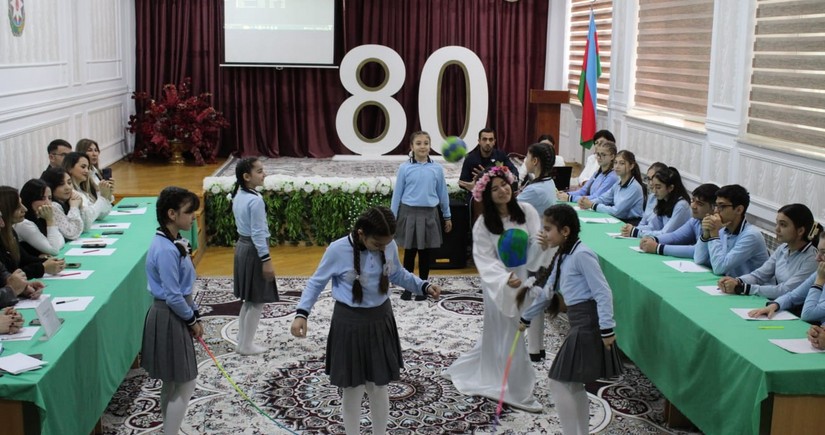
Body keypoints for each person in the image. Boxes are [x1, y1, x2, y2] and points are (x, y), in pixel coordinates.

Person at [290, 206, 442, 435]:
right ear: (361, 233)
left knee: (379, 386)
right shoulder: (337, 250)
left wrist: (423, 285)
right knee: (352, 388)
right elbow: (316, 282)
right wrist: (302, 313)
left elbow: (398, 273)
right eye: (378, 243)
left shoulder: (387, 244)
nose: (384, 247)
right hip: (349, 323)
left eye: (387, 243)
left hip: (381, 320)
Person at [443, 165, 544, 412]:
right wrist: (503, 278)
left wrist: (541, 247)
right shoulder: (483, 225)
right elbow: (484, 259)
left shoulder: (528, 212)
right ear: (487, 196)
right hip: (498, 285)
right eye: (495, 188)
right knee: (506, 331)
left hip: (523, 281)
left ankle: (492, 371)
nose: (502, 191)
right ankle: (518, 390)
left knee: (513, 331)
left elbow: (535, 246)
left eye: (505, 185)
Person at [518, 204, 622, 435]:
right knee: (573, 383)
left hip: (588, 323)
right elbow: (547, 293)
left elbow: (603, 292)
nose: (543, 234)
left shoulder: (582, 254)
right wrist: (526, 318)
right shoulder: (564, 253)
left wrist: (607, 329)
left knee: (558, 381)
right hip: (579, 321)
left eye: (548, 229)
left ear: (565, 231)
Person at [141, 186, 203, 435]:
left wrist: (194, 311)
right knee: (186, 381)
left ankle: (170, 429)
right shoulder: (166, 249)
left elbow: (182, 289)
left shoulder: (171, 241)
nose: (194, 217)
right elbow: (174, 295)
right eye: (189, 212)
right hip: (170, 315)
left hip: (172, 313)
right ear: (172, 214)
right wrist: (191, 320)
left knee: (173, 379)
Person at [391, 131, 452, 301]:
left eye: (426, 143)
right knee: (409, 252)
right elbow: (397, 195)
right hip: (409, 213)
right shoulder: (405, 168)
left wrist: (447, 215)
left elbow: (442, 193)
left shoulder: (436, 169)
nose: (422, 146)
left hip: (429, 214)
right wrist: (392, 217)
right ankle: (408, 287)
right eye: (418, 143)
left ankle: (423, 287)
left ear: (430, 146)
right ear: (412, 147)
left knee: (425, 253)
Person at [718, 204, 818, 299]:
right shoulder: (783, 248)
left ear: (800, 231)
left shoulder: (812, 258)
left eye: (783, 225)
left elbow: (786, 290)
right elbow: (759, 275)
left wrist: (742, 288)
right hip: (778, 302)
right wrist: (737, 281)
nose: (777, 229)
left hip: (796, 310)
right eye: (777, 223)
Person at [231, 157, 278, 355]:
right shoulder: (255, 200)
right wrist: (266, 260)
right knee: (257, 300)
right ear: (247, 177)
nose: (264, 173)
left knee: (248, 300)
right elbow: (259, 233)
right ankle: (247, 344)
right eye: (259, 171)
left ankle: (243, 342)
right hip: (253, 251)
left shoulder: (239, 194)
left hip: (242, 247)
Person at [516, 142, 558, 361]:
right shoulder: (546, 183)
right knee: (536, 296)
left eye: (527, 156)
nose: (524, 160)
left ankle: (533, 349)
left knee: (532, 296)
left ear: (535, 161)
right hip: (542, 245)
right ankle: (536, 347)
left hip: (537, 249)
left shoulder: (536, 189)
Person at [748, 228, 824, 323]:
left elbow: (807, 314)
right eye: (819, 251)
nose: (817, 258)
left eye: (823, 253)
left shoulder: (820, 275)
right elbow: (793, 296)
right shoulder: (820, 273)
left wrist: (819, 281)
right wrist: (774, 305)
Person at [694, 184, 768, 276]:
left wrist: (714, 234)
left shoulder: (751, 235)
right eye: (716, 206)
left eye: (722, 206)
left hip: (752, 288)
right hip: (730, 284)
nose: (716, 211)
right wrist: (706, 234)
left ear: (739, 210)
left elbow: (719, 268)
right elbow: (698, 259)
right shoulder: (722, 229)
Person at [638, 183, 719, 259]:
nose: (693, 206)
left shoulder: (718, 226)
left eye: (700, 204)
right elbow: (675, 236)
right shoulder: (695, 221)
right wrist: (653, 239)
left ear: (714, 208)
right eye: (693, 201)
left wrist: (658, 248)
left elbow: (697, 251)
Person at [0, 187, 65, 278]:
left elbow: (25, 259)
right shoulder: (24, 225)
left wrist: (49, 262)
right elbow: (9, 275)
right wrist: (43, 267)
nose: (25, 209)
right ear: (5, 210)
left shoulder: (11, 232)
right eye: (18, 207)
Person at [579, 150, 645, 226]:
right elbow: (603, 199)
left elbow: (617, 211)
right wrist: (586, 202)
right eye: (615, 163)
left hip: (630, 224)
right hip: (618, 220)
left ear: (631, 166)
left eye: (622, 163)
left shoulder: (634, 187)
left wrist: (592, 205)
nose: (617, 166)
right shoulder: (618, 183)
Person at [622, 166, 690, 238]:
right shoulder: (663, 200)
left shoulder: (681, 205)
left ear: (670, 188)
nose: (654, 191)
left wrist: (637, 233)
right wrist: (634, 229)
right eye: (653, 187)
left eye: (658, 187)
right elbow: (653, 227)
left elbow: (665, 233)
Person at [458, 128, 519, 195]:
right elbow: (462, 182)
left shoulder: (501, 155)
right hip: (478, 194)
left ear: (494, 142)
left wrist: (491, 176)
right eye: (484, 139)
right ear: (479, 141)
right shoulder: (470, 158)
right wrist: (475, 184)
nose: (487, 142)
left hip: (497, 192)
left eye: (490, 139)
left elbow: (514, 172)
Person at [62, 152, 113, 229]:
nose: (87, 171)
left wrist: (107, 194)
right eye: (83, 167)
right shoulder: (70, 192)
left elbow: (101, 214)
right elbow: (86, 222)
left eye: (88, 168)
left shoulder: (84, 190)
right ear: (70, 168)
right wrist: (102, 197)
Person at [16, 179, 65, 256]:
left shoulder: (40, 217)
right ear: (30, 199)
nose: (48, 203)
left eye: (50, 198)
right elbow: (54, 250)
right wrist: (50, 220)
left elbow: (61, 240)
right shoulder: (23, 224)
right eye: (42, 198)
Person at [40, 167, 84, 241]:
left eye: (69, 183)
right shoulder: (53, 206)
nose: (68, 187)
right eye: (61, 184)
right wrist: (74, 207)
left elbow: (86, 226)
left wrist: (81, 205)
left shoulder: (67, 200)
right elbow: (71, 233)